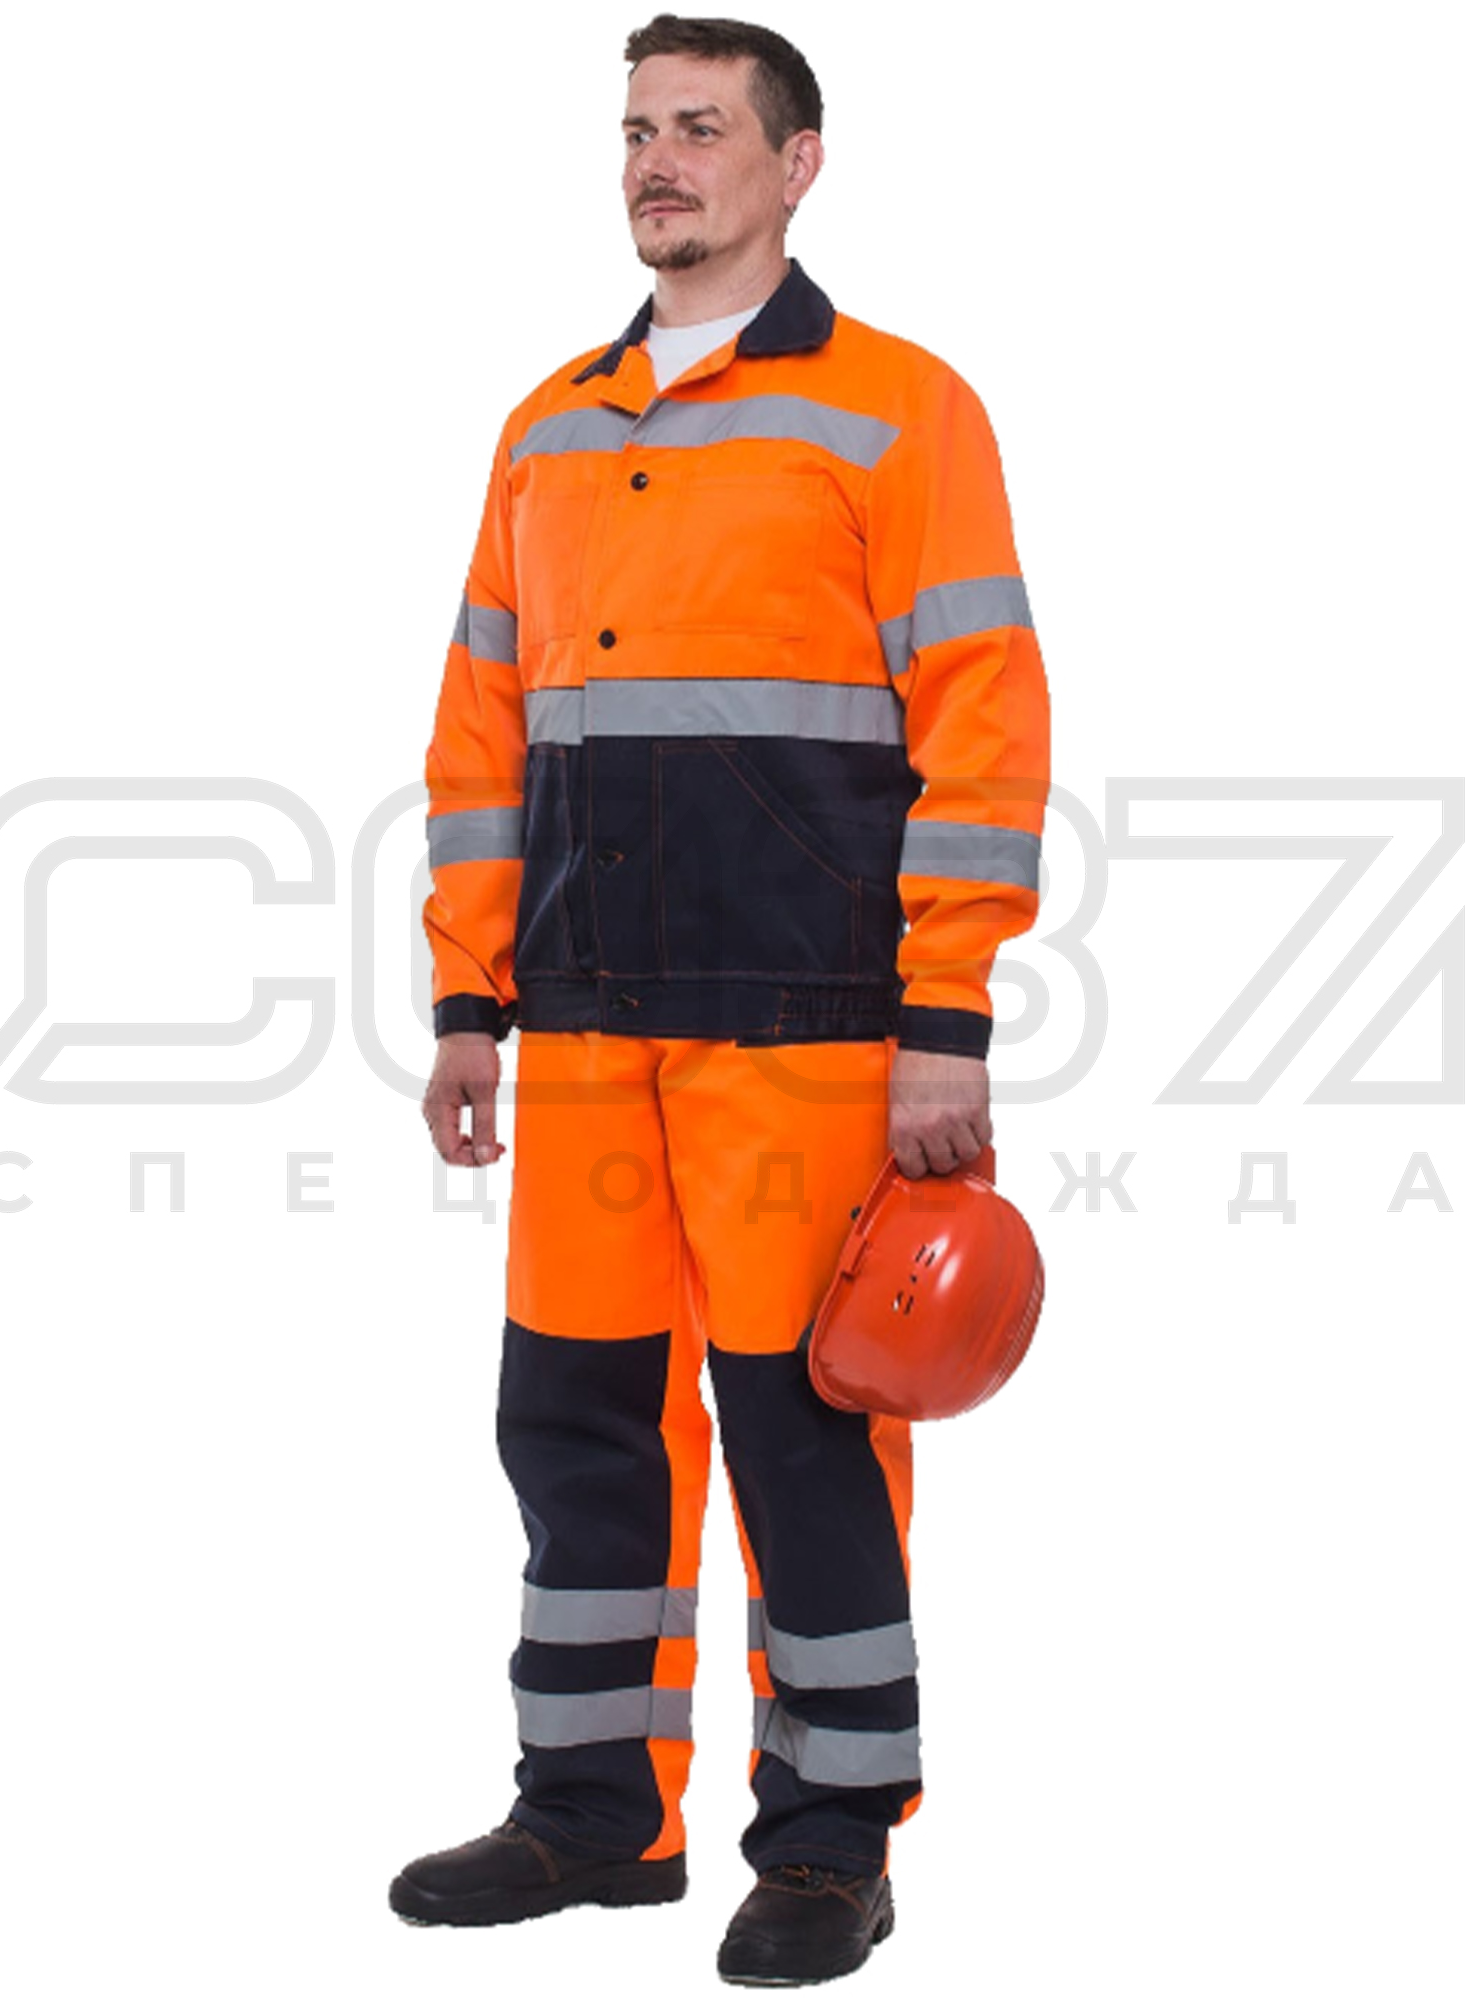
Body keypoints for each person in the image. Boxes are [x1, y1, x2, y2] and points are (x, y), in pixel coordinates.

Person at [392, 12, 1050, 1986]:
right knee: (577, 1415)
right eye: (635, 131)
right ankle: (594, 1811)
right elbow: (481, 733)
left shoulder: (899, 410)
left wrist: (946, 1015)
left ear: (797, 162)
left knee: (804, 1420)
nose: (656, 162)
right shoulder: (549, 426)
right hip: (588, 1021)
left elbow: (984, 724)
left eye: (698, 127)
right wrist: (467, 998)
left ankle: (832, 1839)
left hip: (810, 1022)